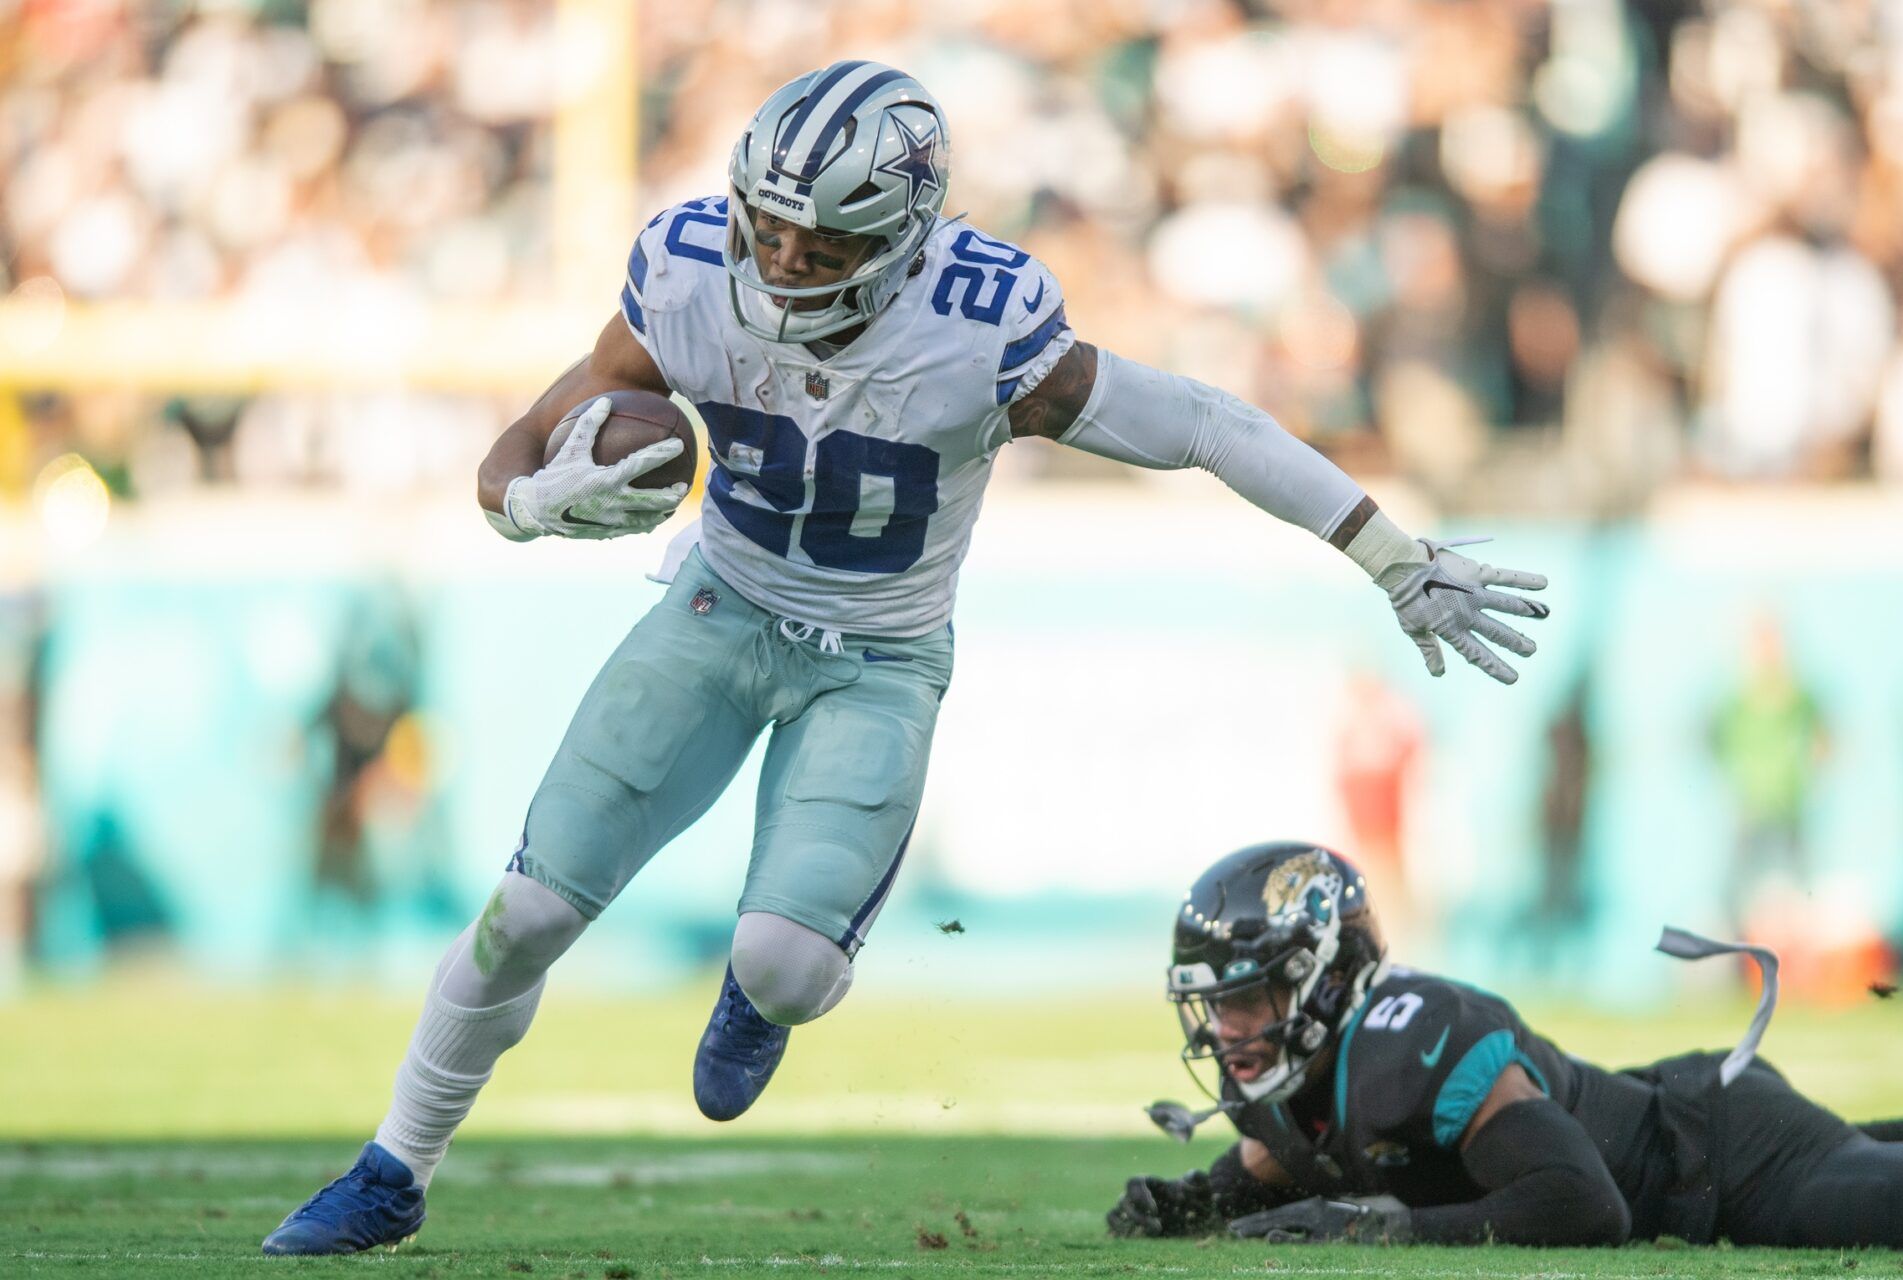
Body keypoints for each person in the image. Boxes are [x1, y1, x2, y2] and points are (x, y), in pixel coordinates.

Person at [261, 62, 1550, 1255]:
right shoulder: (688, 271)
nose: (779, 260)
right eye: (766, 227)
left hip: (874, 660)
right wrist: (533, 503)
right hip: (716, 612)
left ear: (899, 245)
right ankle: (392, 1167)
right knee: (529, 907)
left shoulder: (979, 331)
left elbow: (1204, 422)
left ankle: (758, 997)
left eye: (818, 244)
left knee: (786, 964)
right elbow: (517, 451)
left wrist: (1389, 554)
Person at [1108, 842, 1903, 1249]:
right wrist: (1189, 1201)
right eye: (1217, 1003)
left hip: (1728, 1161)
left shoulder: (1412, 1044)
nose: (1227, 1029)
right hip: (1683, 1117)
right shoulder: (1311, 1087)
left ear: (1324, 978)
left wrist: (1382, 1225)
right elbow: (1288, 1163)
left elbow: (1581, 1201)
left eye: (1249, 997)